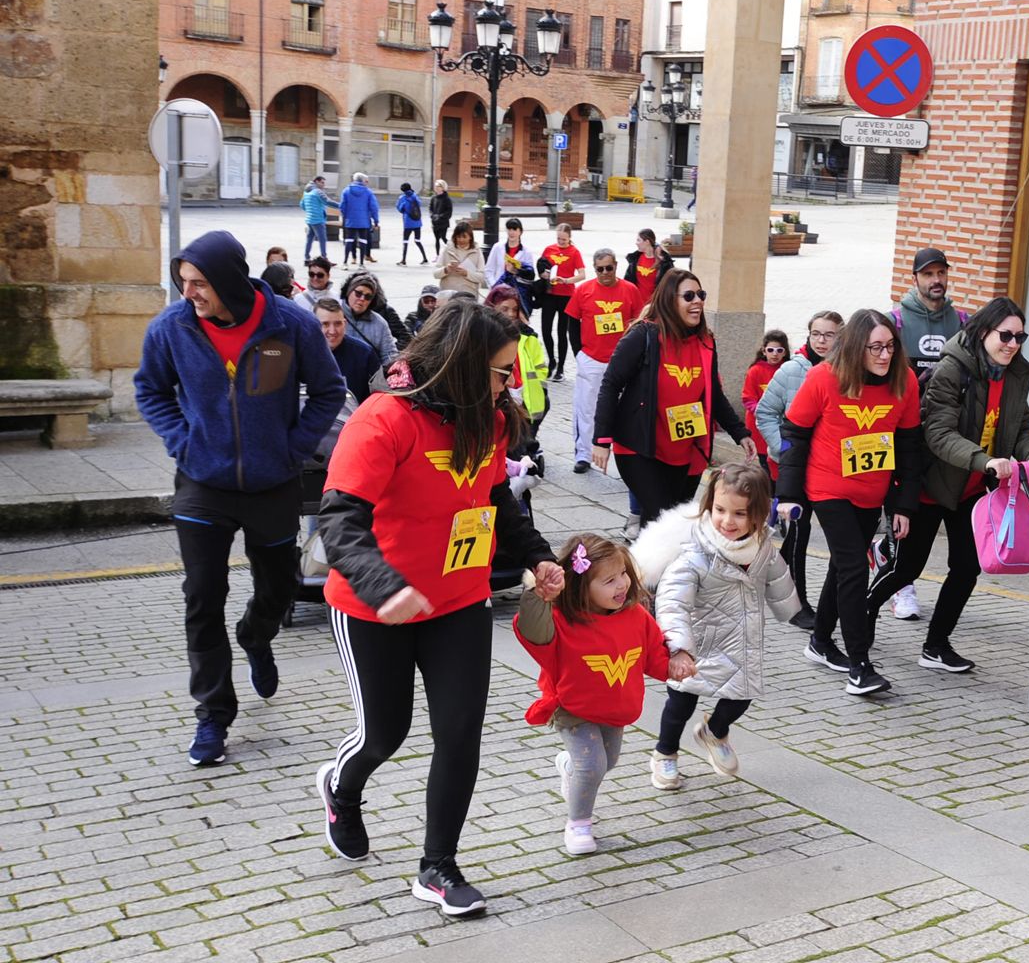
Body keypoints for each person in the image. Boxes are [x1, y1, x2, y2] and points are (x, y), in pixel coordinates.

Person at [315, 299, 563, 915]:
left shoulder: (491, 419)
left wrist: (537, 555)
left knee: (460, 736)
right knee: (386, 733)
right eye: (502, 371)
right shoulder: (384, 419)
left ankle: (438, 867)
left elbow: (496, 497)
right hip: (377, 609)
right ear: (461, 363)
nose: (511, 384)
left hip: (458, 600)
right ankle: (342, 789)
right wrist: (383, 587)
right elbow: (340, 521)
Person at [134, 230, 346, 766]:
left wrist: (292, 448)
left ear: (228, 280)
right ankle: (212, 717)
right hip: (202, 485)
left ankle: (256, 635)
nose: (191, 294)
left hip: (272, 483)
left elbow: (328, 390)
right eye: (184, 282)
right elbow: (150, 391)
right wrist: (183, 442)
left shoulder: (289, 323)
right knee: (201, 598)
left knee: (278, 588)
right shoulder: (172, 328)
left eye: (200, 283)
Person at [866, 297, 1029, 674]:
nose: (1013, 344)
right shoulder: (953, 369)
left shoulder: (1013, 375)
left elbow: (1022, 425)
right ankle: (858, 624)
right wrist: (985, 460)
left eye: (1020, 337)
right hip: (930, 486)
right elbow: (937, 432)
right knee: (906, 569)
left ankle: (935, 645)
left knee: (967, 567)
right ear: (984, 332)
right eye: (1006, 335)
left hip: (969, 489)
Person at [777, 308, 923, 696]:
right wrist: (788, 496)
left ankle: (821, 642)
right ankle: (860, 665)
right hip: (828, 488)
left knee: (843, 567)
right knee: (856, 568)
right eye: (875, 347)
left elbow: (909, 446)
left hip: (871, 491)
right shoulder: (823, 378)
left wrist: (902, 505)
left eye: (890, 346)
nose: (884, 355)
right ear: (856, 347)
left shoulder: (904, 381)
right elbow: (794, 433)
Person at [514, 535, 691, 855]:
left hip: (615, 705)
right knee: (592, 765)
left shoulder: (636, 616)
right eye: (609, 580)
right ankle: (578, 824)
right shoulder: (561, 620)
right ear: (582, 587)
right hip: (573, 706)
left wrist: (674, 665)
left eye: (623, 573)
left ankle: (570, 767)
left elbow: (652, 654)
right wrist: (536, 596)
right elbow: (532, 631)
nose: (621, 584)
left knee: (606, 762)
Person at [631, 463, 799, 791]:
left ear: (759, 513)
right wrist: (678, 646)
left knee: (741, 697)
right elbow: (672, 601)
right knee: (681, 703)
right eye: (720, 510)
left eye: (739, 513)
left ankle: (714, 732)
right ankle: (665, 752)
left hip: (741, 640)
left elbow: (776, 573)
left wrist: (787, 606)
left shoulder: (762, 545)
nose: (727, 521)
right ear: (709, 506)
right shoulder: (696, 551)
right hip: (696, 644)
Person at [592, 268, 755, 524]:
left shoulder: (706, 342)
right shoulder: (643, 336)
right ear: (670, 300)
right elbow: (611, 384)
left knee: (672, 521)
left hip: (686, 449)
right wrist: (601, 439)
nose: (698, 301)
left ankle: (645, 563)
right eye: (689, 296)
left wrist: (740, 432)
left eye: (700, 294)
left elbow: (714, 392)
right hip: (640, 447)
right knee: (661, 517)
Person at [876, 247, 974, 622]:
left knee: (923, 512)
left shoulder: (962, 321)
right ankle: (901, 585)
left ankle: (891, 559)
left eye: (941, 273)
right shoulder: (894, 321)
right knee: (901, 504)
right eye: (928, 274)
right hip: (903, 430)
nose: (936, 281)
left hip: (945, 434)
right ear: (914, 278)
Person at [756, 311, 842, 631]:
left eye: (829, 335)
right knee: (798, 534)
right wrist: (784, 449)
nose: (821, 340)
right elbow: (766, 412)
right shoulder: (792, 370)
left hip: (830, 470)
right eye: (816, 334)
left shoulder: (845, 371)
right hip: (795, 470)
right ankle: (797, 604)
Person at [564, 248, 643, 474]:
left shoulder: (630, 290)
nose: (605, 273)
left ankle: (626, 455)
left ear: (616, 266)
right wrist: (579, 354)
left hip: (622, 361)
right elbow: (572, 323)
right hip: (591, 359)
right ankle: (583, 454)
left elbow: (639, 322)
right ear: (594, 269)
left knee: (625, 409)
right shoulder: (583, 290)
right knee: (586, 407)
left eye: (609, 268)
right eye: (600, 269)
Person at [485, 286, 550, 434]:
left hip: (527, 401)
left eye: (515, 309)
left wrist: (540, 390)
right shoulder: (484, 335)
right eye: (505, 309)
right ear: (492, 307)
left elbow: (540, 366)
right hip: (500, 398)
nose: (511, 314)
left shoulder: (528, 337)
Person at [538, 223, 586, 382]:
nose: (561, 242)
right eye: (558, 238)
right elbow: (542, 267)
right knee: (545, 329)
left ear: (570, 238)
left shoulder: (574, 252)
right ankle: (551, 360)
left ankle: (560, 368)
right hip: (550, 293)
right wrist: (545, 274)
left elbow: (582, 274)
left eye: (564, 239)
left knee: (561, 332)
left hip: (566, 295)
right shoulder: (549, 249)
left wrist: (566, 280)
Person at [313, 296, 381, 405]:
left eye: (337, 324)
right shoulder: (301, 353)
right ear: (313, 325)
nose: (332, 331)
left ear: (345, 324)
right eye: (325, 324)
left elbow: (379, 395)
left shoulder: (364, 354)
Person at [742, 330, 789, 473]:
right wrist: (764, 413)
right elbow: (748, 398)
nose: (775, 354)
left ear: (785, 352)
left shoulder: (787, 370)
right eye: (770, 350)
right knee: (765, 463)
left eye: (779, 350)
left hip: (781, 426)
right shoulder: (755, 371)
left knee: (780, 460)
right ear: (764, 351)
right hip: (759, 426)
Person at [340, 272, 397, 366]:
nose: (362, 298)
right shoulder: (333, 316)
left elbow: (390, 355)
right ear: (348, 291)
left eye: (368, 296)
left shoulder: (380, 323)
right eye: (358, 293)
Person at [484, 216, 537, 312]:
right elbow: (489, 269)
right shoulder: (497, 247)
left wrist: (516, 271)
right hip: (499, 291)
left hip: (518, 293)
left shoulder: (526, 252)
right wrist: (494, 286)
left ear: (520, 231)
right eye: (509, 229)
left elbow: (529, 276)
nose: (511, 232)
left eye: (514, 229)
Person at [433, 221, 485, 296]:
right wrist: (446, 270)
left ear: (470, 237)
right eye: (458, 237)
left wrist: (467, 273)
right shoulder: (447, 249)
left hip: (468, 295)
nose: (461, 240)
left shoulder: (477, 251)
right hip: (448, 294)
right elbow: (435, 274)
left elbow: (482, 277)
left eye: (464, 237)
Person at [623, 228, 674, 302]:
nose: (636, 243)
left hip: (656, 305)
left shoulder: (664, 262)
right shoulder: (635, 259)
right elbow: (628, 281)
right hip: (638, 304)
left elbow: (670, 285)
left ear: (647, 242)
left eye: (638, 240)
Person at [339, 172, 380, 266]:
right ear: (363, 181)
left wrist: (346, 215)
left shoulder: (346, 191)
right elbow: (374, 207)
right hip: (364, 221)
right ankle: (361, 263)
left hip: (350, 220)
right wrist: (376, 221)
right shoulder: (368, 192)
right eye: (366, 181)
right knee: (363, 241)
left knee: (349, 240)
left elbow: (342, 206)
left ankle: (345, 262)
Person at [300, 176, 340, 261]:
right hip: (318, 219)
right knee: (322, 239)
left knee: (310, 239)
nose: (323, 185)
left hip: (310, 219)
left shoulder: (306, 191)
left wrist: (310, 211)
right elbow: (327, 201)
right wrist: (341, 206)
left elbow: (302, 204)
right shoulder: (317, 191)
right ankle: (324, 258)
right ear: (316, 182)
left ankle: (307, 258)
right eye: (322, 182)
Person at [396, 183, 429, 265]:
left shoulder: (402, 198)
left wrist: (403, 205)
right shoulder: (415, 196)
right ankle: (425, 258)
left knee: (405, 241)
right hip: (417, 222)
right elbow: (419, 204)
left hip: (408, 223)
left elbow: (400, 209)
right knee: (417, 240)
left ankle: (403, 260)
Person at [428, 179, 454, 256]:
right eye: (435, 186)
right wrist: (432, 215)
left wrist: (440, 216)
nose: (436, 188)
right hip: (435, 222)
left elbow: (449, 211)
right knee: (436, 239)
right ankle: (437, 255)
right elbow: (430, 207)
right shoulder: (433, 198)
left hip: (443, 222)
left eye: (438, 186)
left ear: (442, 187)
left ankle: (453, 250)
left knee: (443, 238)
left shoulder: (447, 199)